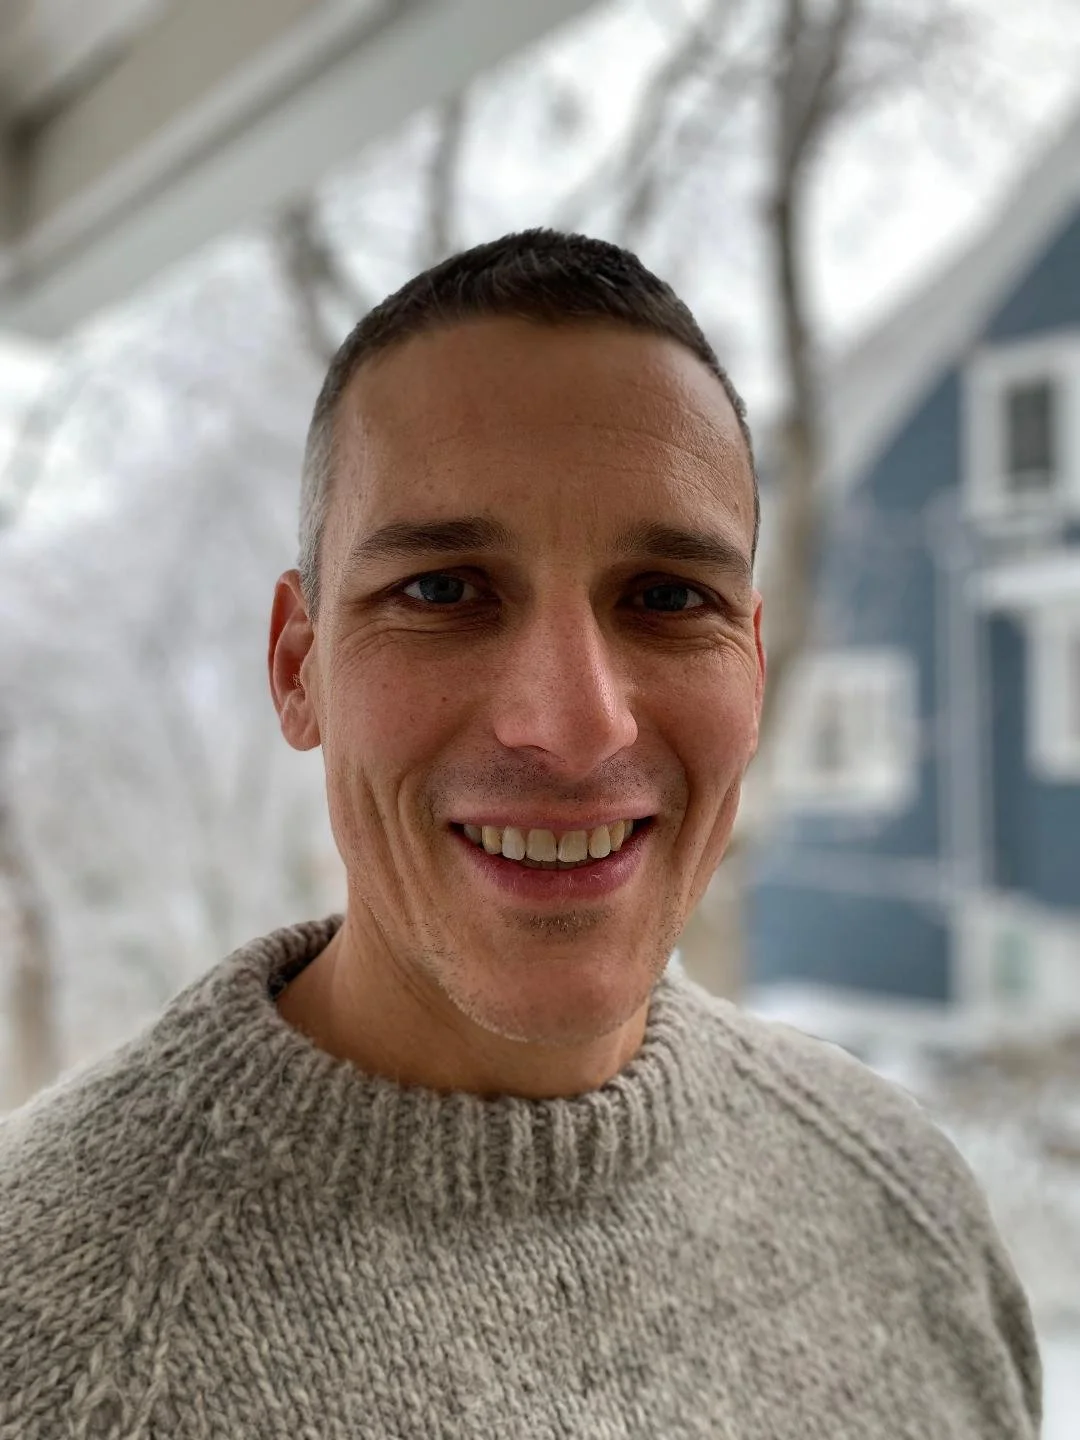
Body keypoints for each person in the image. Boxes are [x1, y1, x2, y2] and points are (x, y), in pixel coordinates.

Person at [0, 230, 1040, 1440]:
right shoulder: (50, 1345)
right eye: (443, 590)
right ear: (297, 667)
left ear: (753, 671)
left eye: (667, 599)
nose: (575, 727)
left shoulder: (903, 1205)